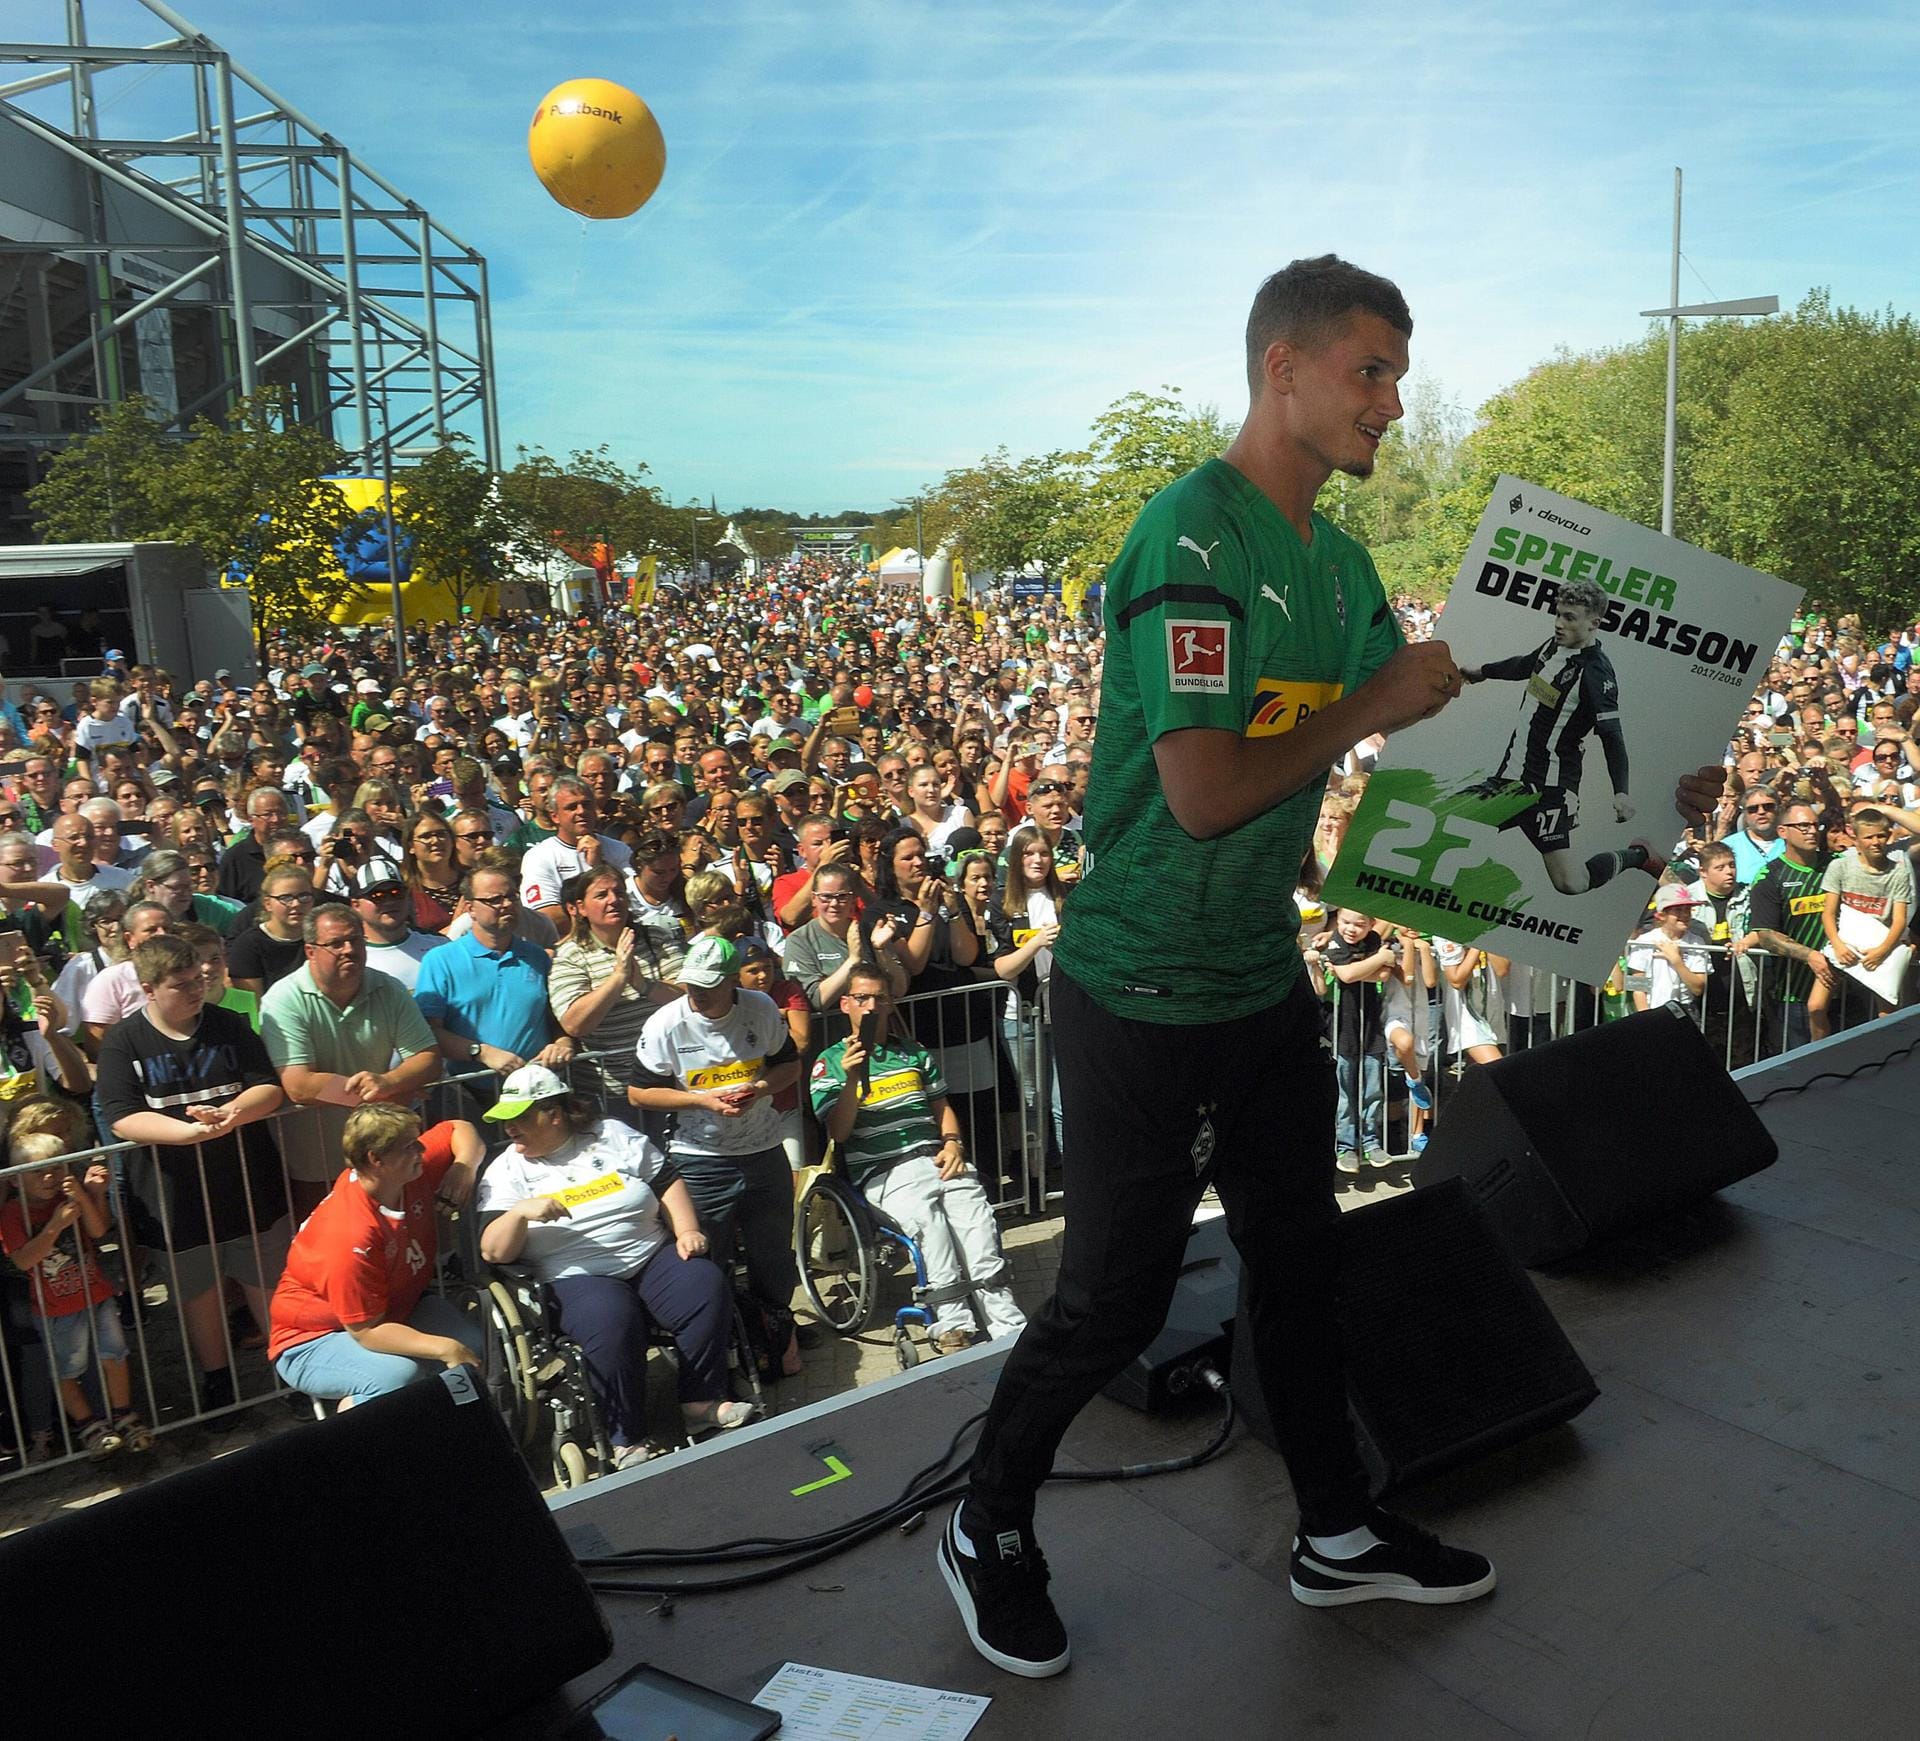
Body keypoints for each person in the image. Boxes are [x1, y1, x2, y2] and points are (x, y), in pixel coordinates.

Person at [939, 256, 1503, 1679]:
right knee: (1111, 1302)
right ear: (1286, 371)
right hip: (1134, 985)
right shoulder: (1189, 540)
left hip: (1261, 976)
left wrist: (1630, 796)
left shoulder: (1341, 563)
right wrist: (1373, 698)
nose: (1395, 398)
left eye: (1398, 372)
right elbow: (1199, 791)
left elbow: (1437, 733)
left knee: (1299, 1262)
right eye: (1372, 369)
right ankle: (987, 1524)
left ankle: (1335, 1529)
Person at [476, 1064, 757, 1469]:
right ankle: (625, 1435)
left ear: (553, 1115)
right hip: (575, 1273)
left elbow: (665, 1180)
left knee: (703, 1284)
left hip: (649, 1252)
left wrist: (687, 1229)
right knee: (611, 1319)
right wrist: (520, 1214)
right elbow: (493, 1253)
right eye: (505, 1121)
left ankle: (701, 1401)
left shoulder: (611, 1135)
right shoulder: (507, 1171)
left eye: (518, 1119)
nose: (509, 1129)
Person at [96, 933, 289, 1416]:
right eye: (180, 985)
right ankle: (218, 1384)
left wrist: (231, 1114)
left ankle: (292, 1376)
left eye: (199, 980)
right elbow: (120, 1113)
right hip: (171, 1196)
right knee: (198, 1295)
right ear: (149, 989)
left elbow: (268, 1087)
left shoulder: (229, 1024)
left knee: (265, 1284)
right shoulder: (124, 1040)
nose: (195, 990)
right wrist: (185, 1134)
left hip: (248, 1183)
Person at [810, 963, 1026, 1355]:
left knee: (977, 1221)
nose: (871, 1005)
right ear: (845, 1004)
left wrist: (954, 1141)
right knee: (931, 1227)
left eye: (880, 997)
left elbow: (941, 1105)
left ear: (891, 1003)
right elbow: (838, 1133)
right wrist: (853, 1080)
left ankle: (1007, 1322)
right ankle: (952, 1323)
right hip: (884, 1168)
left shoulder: (913, 1052)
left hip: (936, 1154)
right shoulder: (830, 1062)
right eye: (862, 998)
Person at [631, 933, 804, 1375]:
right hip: (700, 1157)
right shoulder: (666, 1023)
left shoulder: (760, 1008)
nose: (698, 996)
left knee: (773, 1256)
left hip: (764, 1148)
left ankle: (776, 1333)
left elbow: (790, 1065)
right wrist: (701, 1101)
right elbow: (637, 1092)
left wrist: (761, 1088)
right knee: (709, 1262)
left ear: (732, 981)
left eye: (708, 987)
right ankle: (723, 1350)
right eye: (691, 986)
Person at [268, 1104, 483, 1407]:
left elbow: (459, 1127)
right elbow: (366, 1332)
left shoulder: (406, 1171)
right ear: (376, 1159)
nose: (421, 1148)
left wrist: (464, 1167)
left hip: (397, 1307)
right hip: (313, 1337)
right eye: (410, 1146)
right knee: (398, 1375)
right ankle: (359, 1433)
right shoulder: (349, 1234)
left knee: (471, 1345)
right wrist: (444, 1348)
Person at [1458, 579, 1661, 897]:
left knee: (1571, 883)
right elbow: (1526, 664)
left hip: (1549, 790)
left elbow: (1611, 737)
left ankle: (1638, 856)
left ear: (1594, 623)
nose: (1558, 624)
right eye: (1557, 614)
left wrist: (1621, 792)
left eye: (1569, 617)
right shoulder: (1555, 645)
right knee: (1450, 821)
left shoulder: (1596, 675)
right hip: (1510, 780)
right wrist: (1483, 671)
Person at [259, 903, 443, 1216]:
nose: (349, 950)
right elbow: (299, 1085)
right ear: (310, 951)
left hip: (387, 1152)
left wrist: (387, 1081)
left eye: (356, 940)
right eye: (336, 943)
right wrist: (387, 1095)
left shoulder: (389, 988)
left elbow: (429, 1058)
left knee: (401, 1237)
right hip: (317, 1159)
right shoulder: (283, 999)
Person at [2, 1133, 150, 1458]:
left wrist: (89, 1197)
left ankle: (123, 1413)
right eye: (37, 1171)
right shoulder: (12, 1214)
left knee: (116, 1353)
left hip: (95, 1292)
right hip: (55, 1307)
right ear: (14, 1180)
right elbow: (24, 1259)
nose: (49, 1177)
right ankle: (88, 1425)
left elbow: (98, 1231)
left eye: (56, 1167)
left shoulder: (68, 1197)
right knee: (68, 1368)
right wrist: (55, 1225)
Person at [415, 862, 577, 1079]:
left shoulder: (538, 957)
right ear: (470, 908)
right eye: (494, 900)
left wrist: (562, 1044)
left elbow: (557, 1020)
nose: (507, 904)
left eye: (512, 896)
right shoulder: (440, 961)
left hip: (536, 1086)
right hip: (472, 1092)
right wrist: (481, 1052)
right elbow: (429, 1031)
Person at [1737, 800, 1837, 1056]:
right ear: (1782, 831)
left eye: (1815, 825)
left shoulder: (1836, 865)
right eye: (1803, 826)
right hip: (1794, 994)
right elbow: (1766, 935)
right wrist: (1810, 956)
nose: (1812, 831)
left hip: (1844, 990)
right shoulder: (1770, 876)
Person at [1812, 806, 1913, 1039]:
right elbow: (1827, 913)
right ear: (1856, 839)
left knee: (1888, 1014)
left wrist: (1881, 951)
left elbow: (1899, 919)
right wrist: (1837, 944)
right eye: (1869, 837)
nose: (1875, 842)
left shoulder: (1897, 872)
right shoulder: (1841, 866)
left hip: (1879, 946)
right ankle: (1816, 1054)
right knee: (1816, 1006)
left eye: (1881, 836)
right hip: (1843, 944)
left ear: (1888, 836)